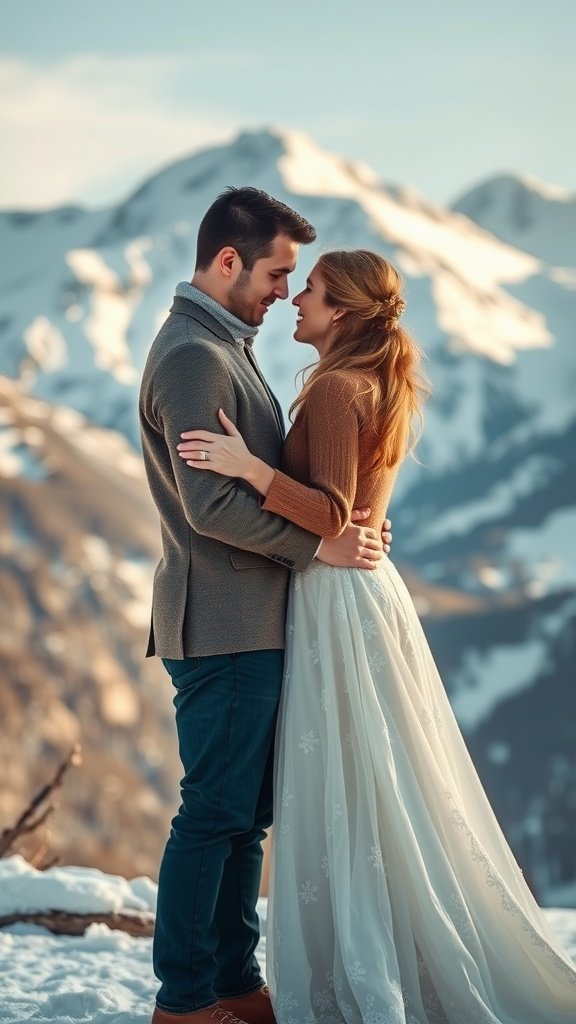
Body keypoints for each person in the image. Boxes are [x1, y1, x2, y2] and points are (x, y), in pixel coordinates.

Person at [178, 249, 576, 1024]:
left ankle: (370, 959)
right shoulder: (377, 384)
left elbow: (329, 513)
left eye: (314, 292)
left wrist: (246, 468)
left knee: (351, 783)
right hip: (362, 590)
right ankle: (398, 942)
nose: (297, 301)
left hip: (335, 595)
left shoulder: (332, 389)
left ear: (345, 313)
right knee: (377, 780)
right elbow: (354, 504)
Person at [139, 190, 393, 1024]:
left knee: (244, 818)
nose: (285, 290)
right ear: (227, 262)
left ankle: (235, 983)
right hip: (220, 621)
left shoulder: (226, 346)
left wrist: (348, 518)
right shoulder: (192, 358)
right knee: (212, 814)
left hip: (253, 620)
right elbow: (210, 507)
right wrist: (319, 546)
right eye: (279, 272)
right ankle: (182, 1002)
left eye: (295, 278)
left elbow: (311, 482)